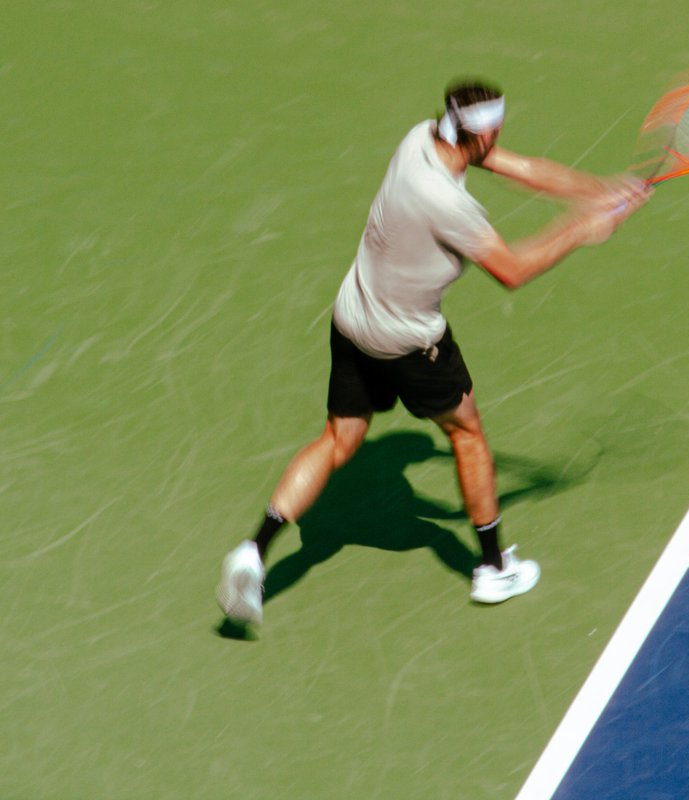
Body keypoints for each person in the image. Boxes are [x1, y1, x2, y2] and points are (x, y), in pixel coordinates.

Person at [217, 79, 649, 625]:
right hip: (410, 344)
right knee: (466, 433)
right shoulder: (450, 205)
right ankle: (493, 569)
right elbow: (512, 270)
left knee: (338, 439)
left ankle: (254, 550)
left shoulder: (420, 139)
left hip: (353, 320)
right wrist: (581, 229)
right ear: (484, 131)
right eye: (498, 128)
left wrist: (600, 190)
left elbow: (522, 167)